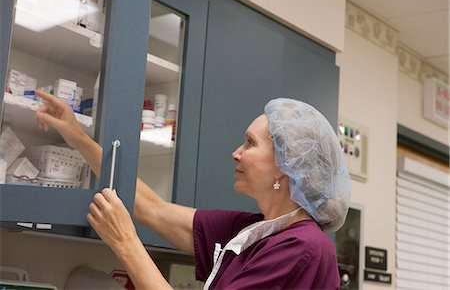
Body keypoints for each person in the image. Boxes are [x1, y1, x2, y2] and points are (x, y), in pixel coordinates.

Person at [35, 91, 351, 290]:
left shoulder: (303, 247)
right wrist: (77, 137)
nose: (236, 153)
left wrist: (125, 242)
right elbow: (151, 208)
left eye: (250, 143)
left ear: (286, 164)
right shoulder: (252, 230)